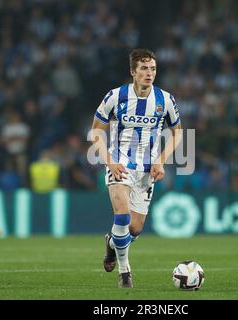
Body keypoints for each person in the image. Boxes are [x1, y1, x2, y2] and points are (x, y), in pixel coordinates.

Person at [90, 48, 183, 288]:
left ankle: (112, 243)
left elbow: (178, 132)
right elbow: (97, 130)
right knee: (122, 215)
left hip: (146, 170)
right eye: (143, 68)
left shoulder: (165, 100)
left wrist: (162, 159)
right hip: (119, 165)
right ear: (133, 71)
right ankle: (125, 273)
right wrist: (109, 161)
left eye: (152, 68)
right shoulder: (116, 96)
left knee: (134, 228)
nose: (149, 73)